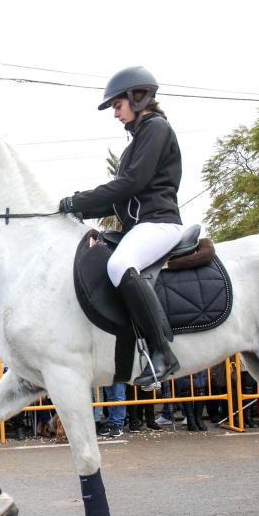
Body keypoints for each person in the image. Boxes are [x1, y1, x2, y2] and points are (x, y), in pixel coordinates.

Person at [58, 66, 183, 387]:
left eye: (117, 105)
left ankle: (162, 353)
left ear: (137, 98)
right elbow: (117, 199)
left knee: (119, 264)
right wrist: (72, 206)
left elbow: (131, 183)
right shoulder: (138, 140)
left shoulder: (156, 129)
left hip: (158, 223)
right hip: (140, 226)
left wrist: (80, 200)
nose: (115, 112)